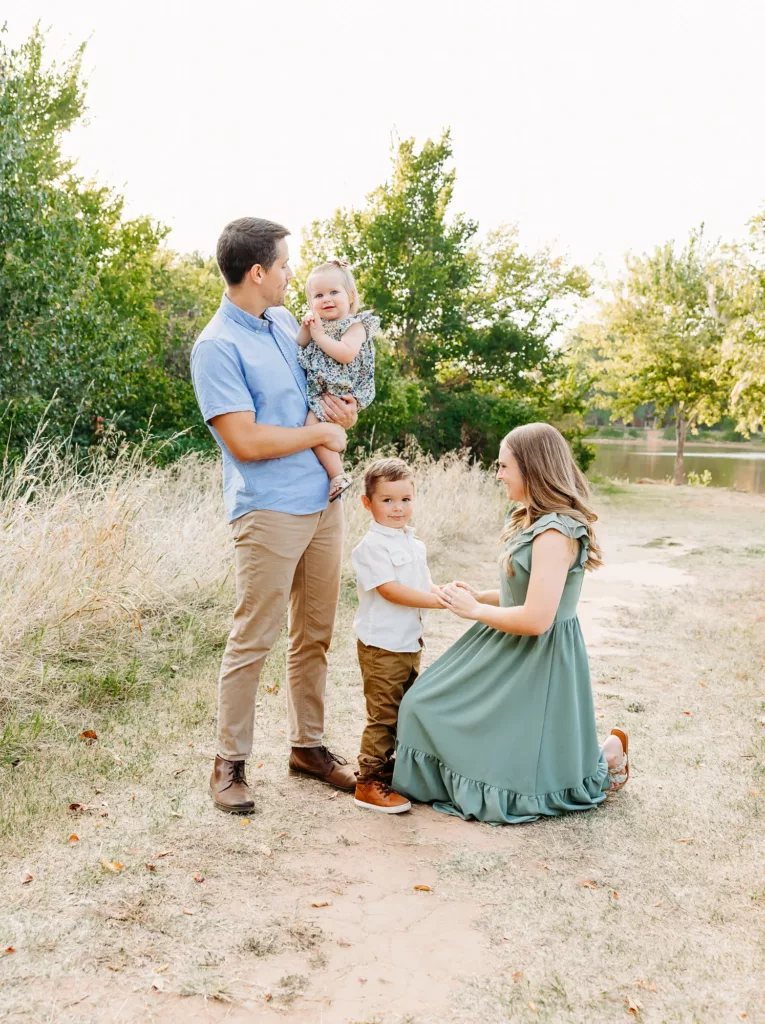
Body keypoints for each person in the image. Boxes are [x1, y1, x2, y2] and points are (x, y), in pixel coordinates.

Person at [190, 217, 359, 814]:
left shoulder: (287, 323)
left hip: (323, 504)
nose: (293, 273)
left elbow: (320, 400)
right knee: (253, 637)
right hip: (268, 512)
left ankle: (307, 749)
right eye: (285, 264)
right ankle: (229, 764)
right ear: (258, 272)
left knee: (314, 634)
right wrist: (317, 430)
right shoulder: (217, 346)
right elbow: (246, 441)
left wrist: (339, 417)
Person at [392, 423, 630, 824]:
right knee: (420, 704)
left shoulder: (557, 532)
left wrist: (475, 611)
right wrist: (473, 596)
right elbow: (520, 595)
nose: (498, 474)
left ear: (532, 467)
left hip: (538, 654)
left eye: (504, 466)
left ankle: (608, 756)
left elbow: (538, 618)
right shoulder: (529, 519)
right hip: (504, 636)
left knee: (516, 774)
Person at [350, 458, 444, 814]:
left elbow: (417, 585)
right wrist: (438, 603)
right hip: (382, 646)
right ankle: (368, 781)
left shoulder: (412, 542)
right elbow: (390, 590)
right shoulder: (371, 547)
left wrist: (442, 591)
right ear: (367, 503)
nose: (397, 508)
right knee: (383, 714)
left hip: (408, 643)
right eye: (387, 500)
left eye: (405, 499)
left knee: (406, 708)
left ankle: (394, 771)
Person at [296, 259, 379, 501]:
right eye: (318, 295)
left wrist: (319, 335)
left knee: (313, 428)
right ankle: (334, 473)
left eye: (334, 292)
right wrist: (306, 327)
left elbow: (345, 353)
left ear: (351, 296)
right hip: (324, 389)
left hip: (342, 389)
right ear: (310, 303)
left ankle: (337, 474)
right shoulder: (318, 325)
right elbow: (301, 344)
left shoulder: (356, 325)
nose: (327, 299)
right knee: (315, 428)